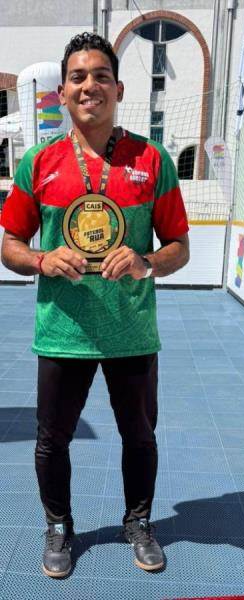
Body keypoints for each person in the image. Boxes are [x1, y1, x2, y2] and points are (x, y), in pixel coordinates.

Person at [0, 33, 190, 578]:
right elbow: (10, 244)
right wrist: (40, 260)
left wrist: (145, 261)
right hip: (63, 329)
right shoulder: (39, 163)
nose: (90, 86)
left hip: (131, 330)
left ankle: (140, 522)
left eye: (101, 76)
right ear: (63, 92)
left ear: (118, 88)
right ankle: (59, 527)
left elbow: (178, 247)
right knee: (51, 439)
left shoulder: (152, 161)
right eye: (79, 78)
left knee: (140, 436)